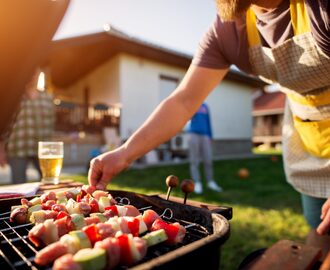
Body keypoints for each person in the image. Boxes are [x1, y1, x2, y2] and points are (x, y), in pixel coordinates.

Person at [88, 0, 330, 254]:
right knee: (320, 228)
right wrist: (124, 153)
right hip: (310, 138)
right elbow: (183, 101)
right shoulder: (228, 31)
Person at [0, 68, 55, 183]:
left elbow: (52, 125)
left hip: (43, 149)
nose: (32, 76)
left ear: (39, 74)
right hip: (17, 148)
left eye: (34, 72)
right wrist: (1, 148)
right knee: (18, 186)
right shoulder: (13, 97)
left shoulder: (48, 97)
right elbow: (4, 123)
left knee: (50, 183)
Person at [187, 103, 222, 194]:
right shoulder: (192, 104)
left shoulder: (205, 106)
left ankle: (210, 181)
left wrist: (210, 136)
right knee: (194, 160)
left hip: (205, 135)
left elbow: (208, 121)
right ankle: (197, 182)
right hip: (193, 134)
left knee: (208, 159)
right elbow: (187, 118)